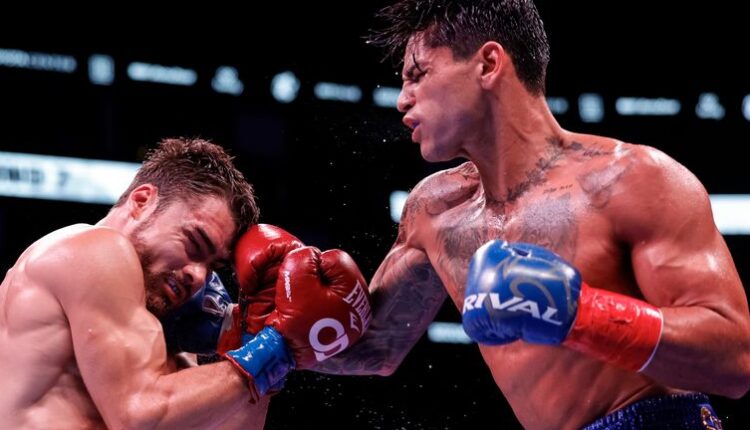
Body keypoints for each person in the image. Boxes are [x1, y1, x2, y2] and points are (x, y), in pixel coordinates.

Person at [315, 1, 750, 428]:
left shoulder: (629, 179)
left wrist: (580, 313)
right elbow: (376, 348)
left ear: (488, 64)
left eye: (418, 75)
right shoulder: (433, 211)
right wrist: (280, 336)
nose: (401, 100)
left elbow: (736, 360)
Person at [0, 137, 371, 429]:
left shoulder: (158, 326)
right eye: (195, 243)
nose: (199, 276)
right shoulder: (96, 249)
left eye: (214, 266)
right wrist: (274, 348)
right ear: (142, 201)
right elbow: (138, 415)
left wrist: (256, 338)